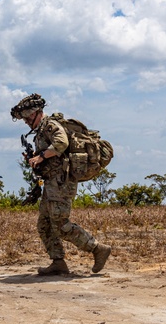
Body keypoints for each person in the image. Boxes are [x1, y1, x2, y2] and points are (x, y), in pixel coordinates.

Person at [11, 94, 111, 276]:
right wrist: (36, 158)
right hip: (51, 184)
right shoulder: (41, 131)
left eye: (27, 117)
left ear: (37, 113)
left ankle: (98, 249)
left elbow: (62, 143)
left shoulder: (50, 126)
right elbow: (53, 154)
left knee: (61, 225)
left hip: (61, 183)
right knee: (44, 224)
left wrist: (41, 157)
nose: (26, 121)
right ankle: (58, 262)